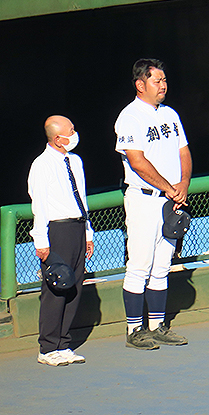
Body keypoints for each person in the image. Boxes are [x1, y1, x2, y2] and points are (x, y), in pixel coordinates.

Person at [115, 58, 191, 350]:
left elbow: (184, 151)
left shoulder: (170, 114)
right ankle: (135, 329)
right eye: (157, 81)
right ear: (140, 84)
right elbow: (137, 161)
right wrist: (170, 188)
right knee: (140, 265)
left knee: (162, 265)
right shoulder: (130, 117)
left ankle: (157, 325)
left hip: (171, 199)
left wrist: (183, 185)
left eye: (164, 80)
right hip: (144, 199)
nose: (163, 85)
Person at [29, 116, 94, 366]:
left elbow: (83, 199)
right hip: (58, 230)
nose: (74, 134)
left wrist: (88, 233)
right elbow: (40, 205)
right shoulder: (42, 165)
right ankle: (47, 347)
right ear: (57, 138)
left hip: (77, 227)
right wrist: (41, 241)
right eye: (71, 131)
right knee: (57, 287)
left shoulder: (75, 161)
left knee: (75, 285)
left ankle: (63, 344)